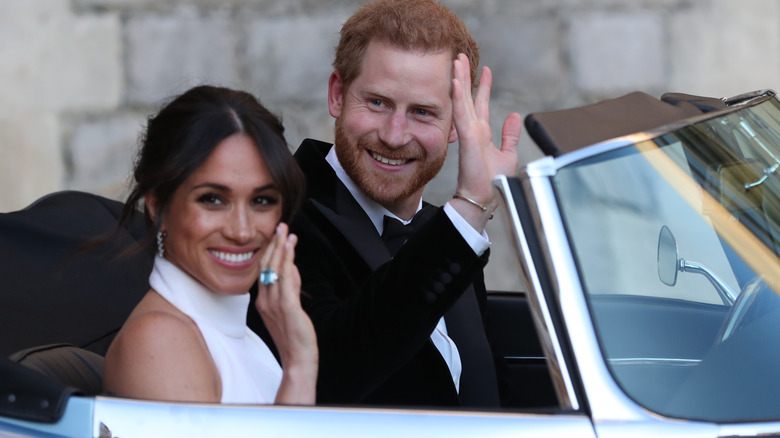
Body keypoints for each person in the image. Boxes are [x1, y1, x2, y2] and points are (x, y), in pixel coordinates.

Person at [246, 0, 522, 407]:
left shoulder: (444, 232)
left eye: (423, 112)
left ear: (454, 126)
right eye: (377, 102)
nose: (394, 135)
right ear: (338, 95)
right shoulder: (276, 216)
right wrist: (469, 210)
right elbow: (328, 374)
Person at [103, 85, 318, 405]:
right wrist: (300, 368)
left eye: (262, 200)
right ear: (157, 204)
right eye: (213, 199)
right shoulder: (160, 341)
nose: (242, 231)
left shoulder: (242, 336)